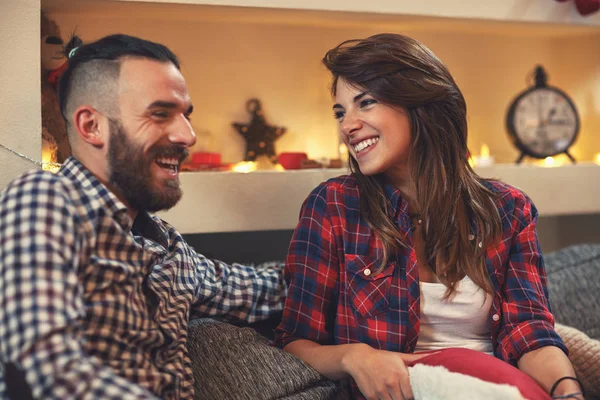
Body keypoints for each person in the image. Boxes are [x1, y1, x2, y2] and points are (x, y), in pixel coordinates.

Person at [275, 33, 583, 400]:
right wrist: (355, 357)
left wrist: (568, 392)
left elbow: (530, 334)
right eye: (341, 112)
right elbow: (295, 341)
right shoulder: (333, 207)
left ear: (420, 103)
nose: (347, 125)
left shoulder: (508, 210)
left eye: (366, 103)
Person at [0, 34, 286, 400]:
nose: (188, 135)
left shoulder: (167, 249)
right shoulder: (46, 201)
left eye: (186, 116)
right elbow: (47, 367)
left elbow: (260, 289)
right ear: (91, 126)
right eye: (160, 113)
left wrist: (352, 252)